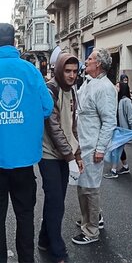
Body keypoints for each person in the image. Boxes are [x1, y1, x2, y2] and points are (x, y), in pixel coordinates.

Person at [0, 23, 53, 262]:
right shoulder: (30, 71)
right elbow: (47, 107)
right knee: (25, 216)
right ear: (14, 42)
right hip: (23, 163)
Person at [39, 53, 84, 262]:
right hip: (49, 155)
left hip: (65, 156)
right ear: (58, 69)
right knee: (57, 203)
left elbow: (72, 126)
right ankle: (58, 250)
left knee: (55, 201)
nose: (72, 75)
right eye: (67, 71)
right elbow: (54, 128)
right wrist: (71, 157)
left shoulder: (71, 91)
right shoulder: (50, 89)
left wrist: (78, 153)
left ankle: (44, 239)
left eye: (75, 71)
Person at [73, 48, 117, 245]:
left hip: (92, 146)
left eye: (90, 58)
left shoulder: (105, 88)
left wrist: (100, 149)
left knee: (89, 188)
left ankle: (90, 231)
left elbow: (109, 121)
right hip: (84, 144)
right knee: (83, 185)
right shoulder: (90, 83)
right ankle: (92, 218)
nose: (86, 61)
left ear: (98, 64)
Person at [104, 82, 132, 179]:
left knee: (115, 148)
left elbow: (131, 116)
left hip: (122, 130)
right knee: (119, 148)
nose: (116, 87)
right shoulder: (117, 99)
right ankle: (125, 166)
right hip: (117, 129)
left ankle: (114, 170)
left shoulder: (126, 101)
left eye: (118, 86)